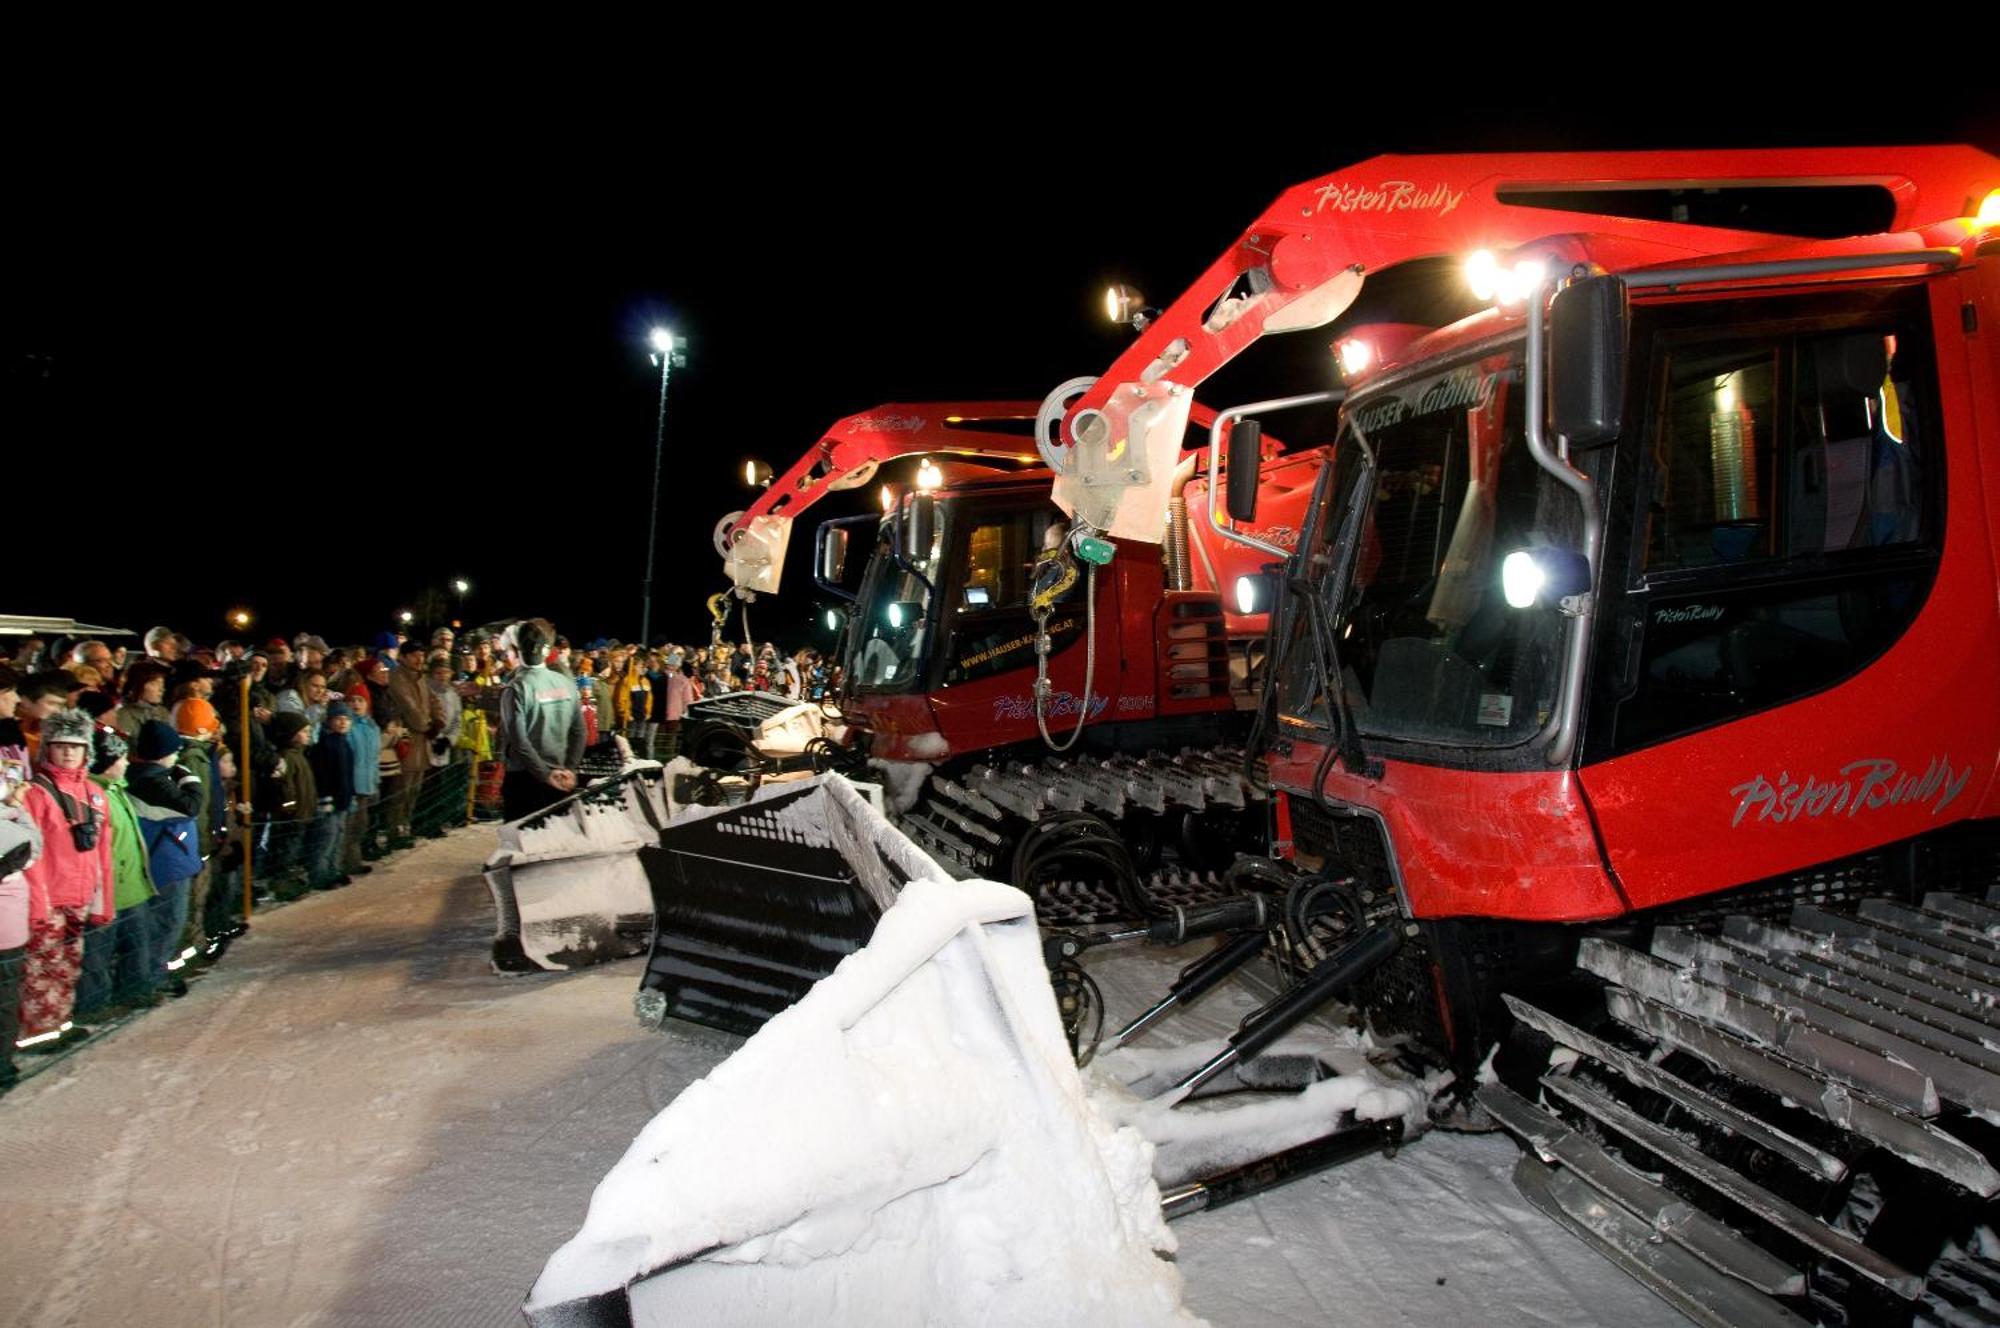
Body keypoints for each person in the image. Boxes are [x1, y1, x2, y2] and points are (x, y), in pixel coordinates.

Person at [15, 709, 114, 1050]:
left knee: (69, 964)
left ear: (87, 751)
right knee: (41, 969)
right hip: (50, 899)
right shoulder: (36, 794)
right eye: (60, 746)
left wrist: (104, 901)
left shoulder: (95, 793)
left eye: (75, 746)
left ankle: (59, 1023)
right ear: (47, 750)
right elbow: (32, 855)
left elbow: (103, 853)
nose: (68, 753)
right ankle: (37, 1033)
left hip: (81, 897)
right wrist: (39, 905)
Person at [497, 619, 585, 821]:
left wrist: (544, 774)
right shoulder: (566, 682)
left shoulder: (516, 688)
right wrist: (570, 768)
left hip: (524, 780)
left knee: (520, 846)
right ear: (546, 650)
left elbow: (519, 742)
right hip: (561, 777)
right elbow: (579, 732)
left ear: (519, 649)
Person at [306, 704, 356, 889]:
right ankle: (319, 875)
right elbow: (322, 775)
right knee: (326, 838)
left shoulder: (345, 744)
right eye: (338, 719)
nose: (343, 722)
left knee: (338, 837)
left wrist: (350, 795)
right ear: (330, 722)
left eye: (346, 719)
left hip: (343, 800)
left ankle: (334, 870)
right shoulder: (325, 745)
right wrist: (325, 798)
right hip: (330, 801)